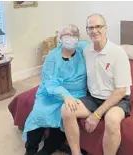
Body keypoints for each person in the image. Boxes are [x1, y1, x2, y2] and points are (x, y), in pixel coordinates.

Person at [61, 14, 132, 155]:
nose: (94, 31)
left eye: (98, 26)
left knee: (111, 120)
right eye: (90, 28)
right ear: (87, 31)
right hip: (93, 98)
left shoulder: (118, 53)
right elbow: (68, 49)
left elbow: (121, 90)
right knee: (66, 109)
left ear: (106, 29)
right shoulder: (86, 50)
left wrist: (97, 115)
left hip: (117, 100)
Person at [22, 24, 90, 155]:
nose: (70, 38)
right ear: (60, 38)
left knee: (63, 115)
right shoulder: (52, 56)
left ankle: (48, 149)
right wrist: (65, 96)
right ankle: (30, 149)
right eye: (66, 35)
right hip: (51, 93)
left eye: (73, 35)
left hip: (75, 93)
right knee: (39, 112)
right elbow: (49, 81)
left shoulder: (84, 49)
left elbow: (99, 47)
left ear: (78, 38)